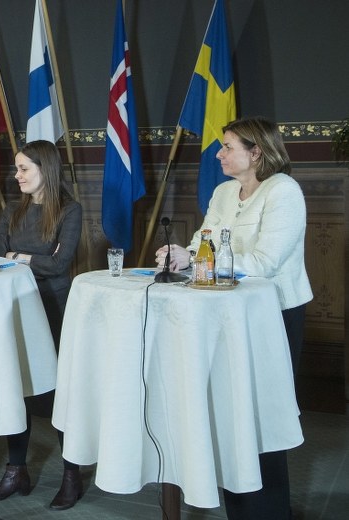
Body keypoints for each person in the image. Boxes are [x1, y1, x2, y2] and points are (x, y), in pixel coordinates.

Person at [156, 116, 312, 520]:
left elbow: (264, 262)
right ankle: (239, 506)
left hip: (273, 315)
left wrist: (199, 258)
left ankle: (270, 511)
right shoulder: (224, 192)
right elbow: (201, 241)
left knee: (262, 415)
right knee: (231, 410)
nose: (219, 154)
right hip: (224, 314)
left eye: (228, 147)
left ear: (256, 152)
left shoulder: (283, 190)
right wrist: (181, 256)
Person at [0, 140, 84, 509]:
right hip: (16, 305)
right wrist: (26, 258)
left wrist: (17, 256)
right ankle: (16, 471)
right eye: (17, 168)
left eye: (24, 168)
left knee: (59, 393)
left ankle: (71, 475)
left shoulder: (69, 210)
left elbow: (59, 265)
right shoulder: (13, 209)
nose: (17, 175)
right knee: (16, 387)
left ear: (46, 170)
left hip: (54, 307)